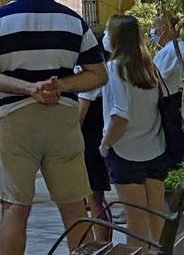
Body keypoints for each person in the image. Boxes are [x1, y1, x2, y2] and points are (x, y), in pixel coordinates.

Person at [0, 0, 108, 255]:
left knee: (14, 209)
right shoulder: (73, 20)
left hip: (16, 121)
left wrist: (29, 87)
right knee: (75, 209)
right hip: (64, 121)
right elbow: (98, 74)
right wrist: (60, 86)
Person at [98, 15, 171, 249]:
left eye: (109, 32)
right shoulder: (149, 67)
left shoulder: (115, 68)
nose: (105, 37)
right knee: (155, 214)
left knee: (135, 219)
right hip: (155, 149)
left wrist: (105, 144)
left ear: (117, 38)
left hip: (125, 152)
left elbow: (120, 114)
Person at [77, 30, 112, 243]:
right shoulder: (106, 71)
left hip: (89, 142)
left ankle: (100, 245)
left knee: (94, 198)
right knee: (95, 197)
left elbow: (81, 111)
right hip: (95, 140)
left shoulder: (91, 77)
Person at [151, 13, 184, 127]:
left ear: (163, 29)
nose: (152, 32)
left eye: (154, 28)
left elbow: (153, 80)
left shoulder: (169, 52)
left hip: (173, 108)